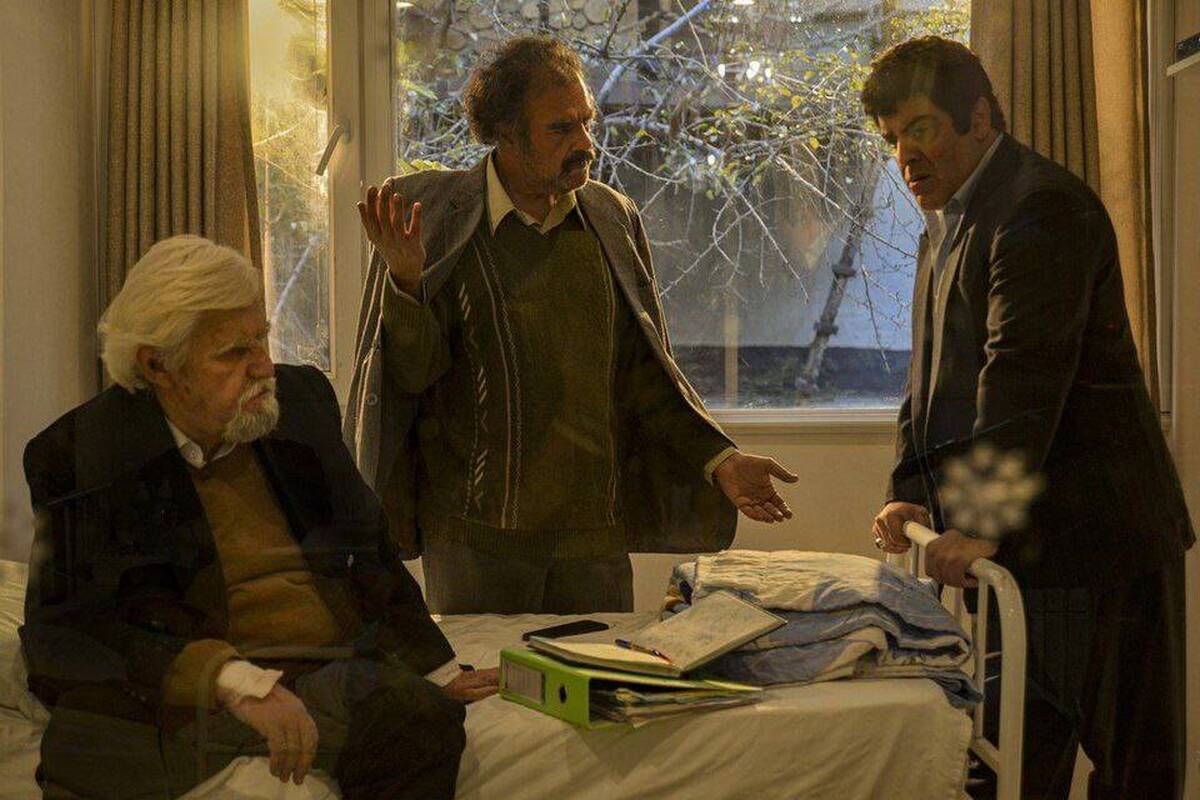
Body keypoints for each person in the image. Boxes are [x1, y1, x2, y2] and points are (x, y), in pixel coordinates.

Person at [21, 235, 496, 800]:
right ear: (157, 365)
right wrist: (234, 681)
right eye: (233, 353)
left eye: (262, 338)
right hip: (209, 690)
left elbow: (369, 551)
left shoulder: (300, 402)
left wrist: (437, 671)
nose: (264, 366)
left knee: (415, 713)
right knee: (90, 750)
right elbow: (63, 635)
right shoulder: (83, 452)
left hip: (333, 671)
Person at [346, 35, 799, 614]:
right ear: (505, 133)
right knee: (488, 675)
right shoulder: (434, 219)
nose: (585, 143)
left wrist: (721, 461)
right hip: (474, 546)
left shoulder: (610, 218)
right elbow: (411, 377)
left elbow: (644, 375)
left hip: (594, 545)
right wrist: (407, 283)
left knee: (601, 673)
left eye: (587, 122)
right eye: (561, 129)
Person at [863, 37, 1193, 800]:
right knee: (1003, 764)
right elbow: (931, 378)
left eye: (920, 128)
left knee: (1131, 774)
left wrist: (979, 519)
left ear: (979, 117)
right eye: (892, 139)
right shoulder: (951, 222)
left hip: (1101, 543)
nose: (905, 156)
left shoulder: (1039, 207)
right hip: (1023, 548)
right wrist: (909, 491)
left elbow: (1024, 373)